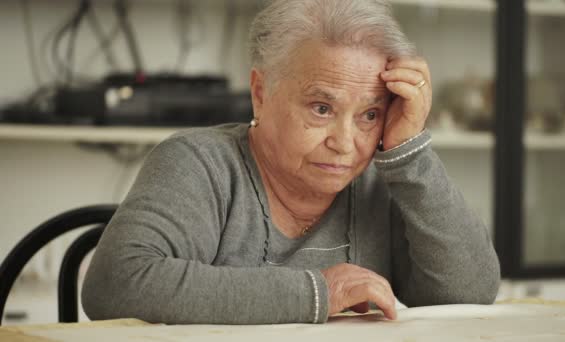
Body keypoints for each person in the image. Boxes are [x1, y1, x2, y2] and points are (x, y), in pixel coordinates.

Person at [82, 0, 500, 325]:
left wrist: (409, 153)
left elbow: (470, 292)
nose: (345, 143)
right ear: (260, 93)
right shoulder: (199, 164)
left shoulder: (383, 179)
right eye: (321, 108)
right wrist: (319, 293)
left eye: (370, 115)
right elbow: (116, 283)